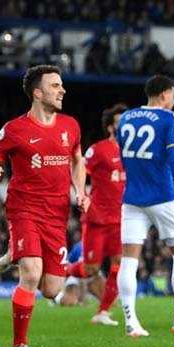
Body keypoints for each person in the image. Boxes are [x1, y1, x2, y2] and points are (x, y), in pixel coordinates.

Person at [0, 65, 88, 347]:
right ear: (37, 93)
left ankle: (14, 253)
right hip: (24, 208)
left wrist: (81, 191)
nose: (62, 90)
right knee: (32, 274)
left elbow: (77, 161)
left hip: (57, 214)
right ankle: (19, 346)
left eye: (61, 85)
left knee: (52, 289)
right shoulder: (15, 130)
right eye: (55, 86)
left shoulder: (71, 126)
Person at [116, 75, 174, 337]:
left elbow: (123, 154)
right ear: (165, 94)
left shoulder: (126, 118)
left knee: (129, 260)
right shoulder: (170, 119)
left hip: (132, 199)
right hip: (163, 198)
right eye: (173, 95)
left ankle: (131, 322)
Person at [62, 104, 127, 325]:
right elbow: (80, 170)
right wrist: (80, 194)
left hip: (121, 220)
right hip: (97, 218)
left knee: (120, 263)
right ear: (110, 128)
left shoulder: (134, 152)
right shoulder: (98, 150)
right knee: (91, 269)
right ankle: (58, 270)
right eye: (120, 122)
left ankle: (103, 312)